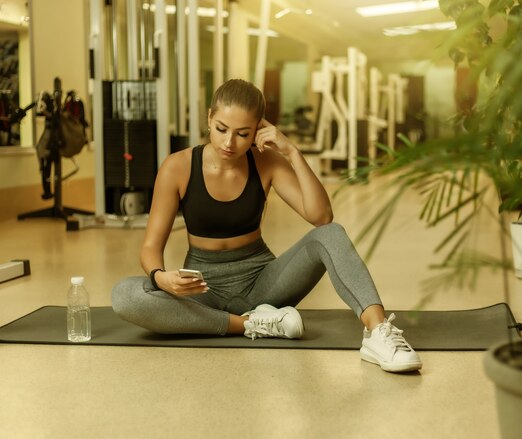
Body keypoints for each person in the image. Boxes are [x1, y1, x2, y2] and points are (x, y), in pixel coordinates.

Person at [111, 79, 422, 373]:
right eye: (221, 129)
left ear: (259, 129)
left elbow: (321, 216)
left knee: (331, 234)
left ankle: (378, 332)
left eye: (243, 134)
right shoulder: (177, 167)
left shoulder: (266, 162)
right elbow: (151, 247)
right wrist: (161, 277)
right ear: (209, 118)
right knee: (125, 295)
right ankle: (250, 324)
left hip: (264, 285)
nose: (229, 142)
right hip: (201, 289)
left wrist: (291, 152)